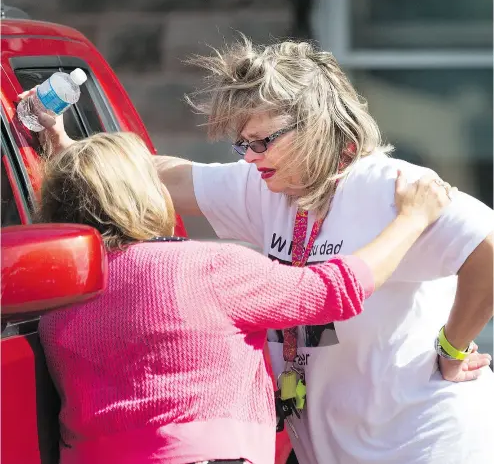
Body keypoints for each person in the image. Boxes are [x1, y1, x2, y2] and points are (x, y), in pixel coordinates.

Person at [23, 100, 451, 464]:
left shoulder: (55, 299)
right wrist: (412, 219)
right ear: (144, 194)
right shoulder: (204, 268)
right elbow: (335, 290)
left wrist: (70, 158)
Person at [148, 38, 492, 464]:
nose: (250, 157)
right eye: (242, 143)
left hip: (425, 444)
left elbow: (489, 248)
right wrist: (63, 148)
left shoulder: (393, 188)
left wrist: (452, 347)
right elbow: (160, 178)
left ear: (313, 127)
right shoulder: (264, 185)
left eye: (262, 141)